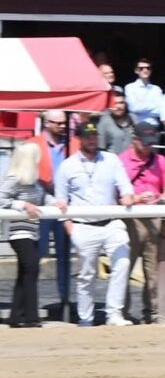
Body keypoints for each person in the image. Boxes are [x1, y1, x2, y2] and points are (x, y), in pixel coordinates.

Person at [55, 121, 135, 326]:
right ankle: (86, 318)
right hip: (83, 226)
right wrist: (71, 230)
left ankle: (114, 313)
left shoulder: (111, 159)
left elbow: (125, 185)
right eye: (87, 136)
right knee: (86, 275)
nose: (92, 139)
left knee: (122, 262)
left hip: (111, 223)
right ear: (79, 138)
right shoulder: (68, 165)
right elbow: (60, 202)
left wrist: (127, 195)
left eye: (94, 135)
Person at [0, 142, 66, 326]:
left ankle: (16, 316)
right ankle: (31, 317)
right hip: (18, 233)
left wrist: (56, 202)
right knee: (32, 269)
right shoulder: (14, 179)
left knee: (25, 273)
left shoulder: (34, 181)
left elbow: (43, 197)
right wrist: (22, 205)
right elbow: (1, 198)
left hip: (31, 232)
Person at [118, 120, 165, 323]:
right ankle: (120, 311)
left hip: (154, 218)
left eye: (151, 142)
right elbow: (115, 194)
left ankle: (151, 313)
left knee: (152, 271)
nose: (149, 146)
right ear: (135, 140)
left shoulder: (160, 160)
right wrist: (135, 198)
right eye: (145, 142)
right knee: (124, 267)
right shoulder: (121, 161)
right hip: (130, 219)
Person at [31, 109, 78, 312]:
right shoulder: (32, 145)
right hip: (40, 207)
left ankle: (65, 299)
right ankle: (29, 300)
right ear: (46, 123)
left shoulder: (74, 145)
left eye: (63, 123)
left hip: (65, 207)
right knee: (34, 255)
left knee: (64, 256)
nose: (62, 126)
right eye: (57, 123)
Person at [124, 58, 163, 124]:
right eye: (141, 68)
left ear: (151, 70)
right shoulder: (129, 87)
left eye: (148, 68)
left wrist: (140, 106)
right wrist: (154, 105)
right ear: (136, 71)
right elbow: (133, 108)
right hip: (136, 128)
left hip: (154, 129)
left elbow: (161, 110)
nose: (145, 70)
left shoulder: (157, 89)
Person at [97, 86, 134, 154]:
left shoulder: (133, 119)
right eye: (115, 103)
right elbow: (101, 148)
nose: (118, 106)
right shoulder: (105, 122)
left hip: (131, 163)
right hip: (112, 162)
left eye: (121, 103)